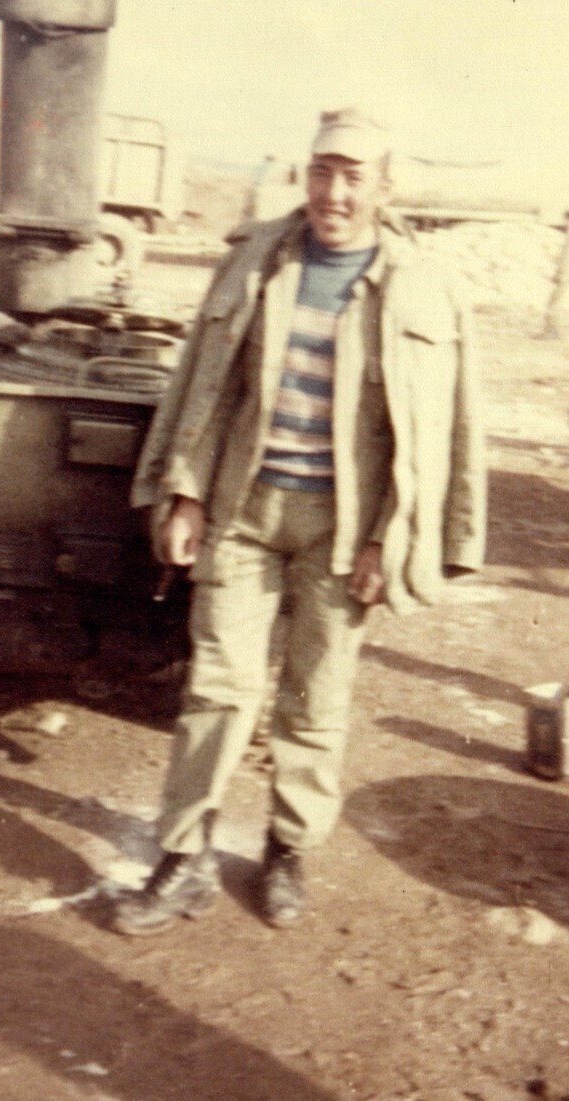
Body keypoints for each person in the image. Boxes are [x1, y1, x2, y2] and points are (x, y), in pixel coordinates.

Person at [113, 108, 486, 936]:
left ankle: (287, 848)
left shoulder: (425, 283)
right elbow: (207, 389)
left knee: (316, 695)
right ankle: (184, 856)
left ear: (385, 186)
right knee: (217, 688)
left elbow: (441, 429)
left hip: (344, 528)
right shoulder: (257, 259)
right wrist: (187, 492)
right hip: (243, 509)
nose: (334, 193)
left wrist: (392, 536)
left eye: (354, 177)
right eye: (322, 172)